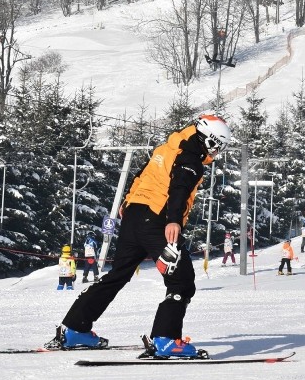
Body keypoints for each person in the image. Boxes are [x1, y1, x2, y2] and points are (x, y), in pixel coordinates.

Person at [46, 114, 231, 355]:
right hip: (158, 219)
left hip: (134, 215)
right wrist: (174, 220)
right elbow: (179, 189)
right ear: (209, 140)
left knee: (117, 275)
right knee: (181, 279)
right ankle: (166, 339)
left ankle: (74, 330)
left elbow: (140, 176)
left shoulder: (166, 149)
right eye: (218, 147)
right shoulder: (190, 157)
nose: (216, 153)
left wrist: (128, 203)